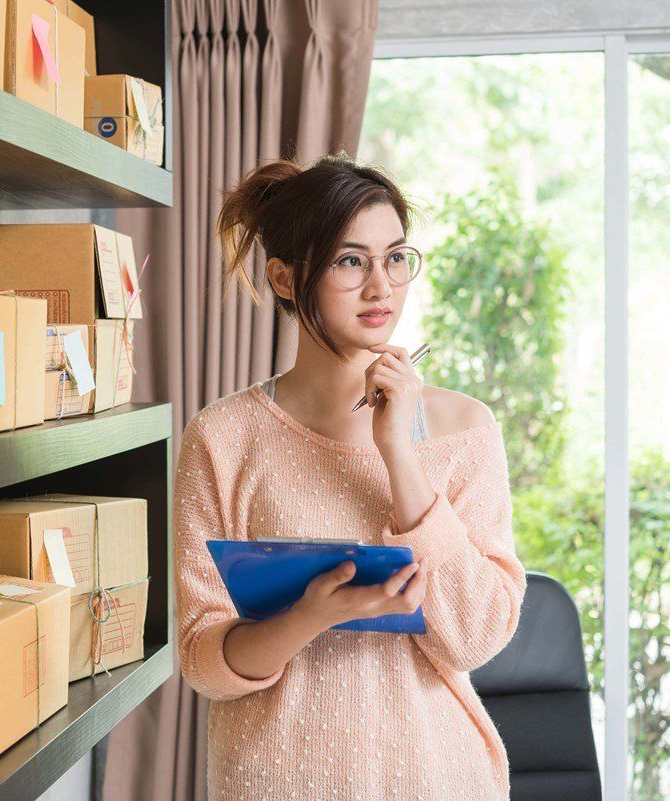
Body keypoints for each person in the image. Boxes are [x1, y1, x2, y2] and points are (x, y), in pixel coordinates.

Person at [174, 154, 527, 800]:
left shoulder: (463, 428)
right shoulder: (221, 439)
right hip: (273, 783)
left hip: (437, 778)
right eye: (348, 261)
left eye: (395, 257)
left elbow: (476, 634)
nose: (381, 286)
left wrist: (398, 450)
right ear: (284, 278)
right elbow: (203, 659)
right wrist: (309, 616)